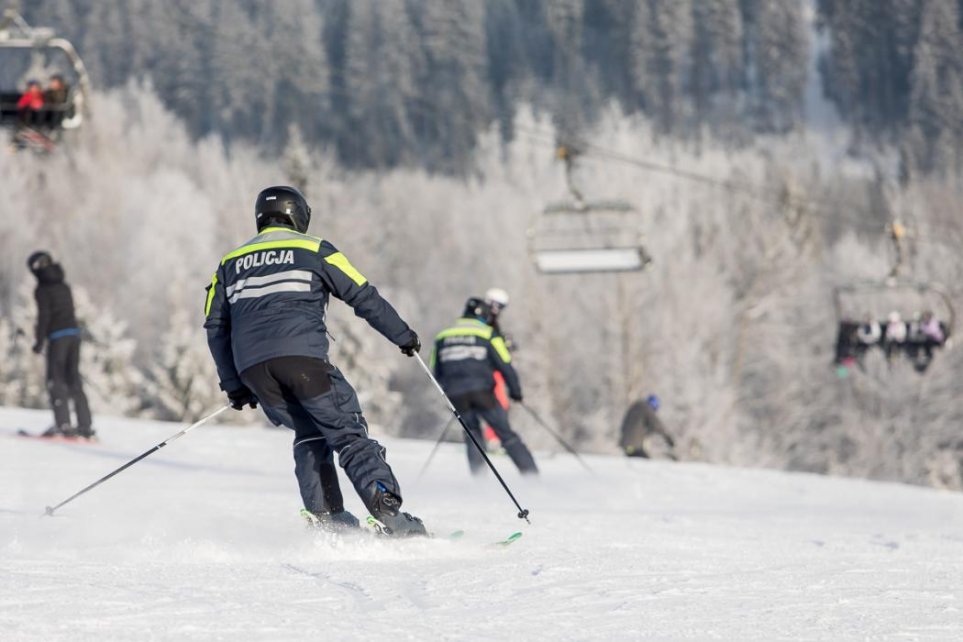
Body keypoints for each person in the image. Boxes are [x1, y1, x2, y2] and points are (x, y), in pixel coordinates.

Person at [203, 186, 426, 536]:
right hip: (302, 362)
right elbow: (362, 295)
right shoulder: (314, 248)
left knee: (310, 432)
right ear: (298, 215)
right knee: (347, 430)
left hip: (255, 372)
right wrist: (403, 336)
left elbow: (215, 324)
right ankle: (390, 515)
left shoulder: (229, 263)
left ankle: (328, 520)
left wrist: (234, 385)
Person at [431, 298, 538, 476]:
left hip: (455, 393)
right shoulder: (488, 333)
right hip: (482, 392)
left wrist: (449, 391)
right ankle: (532, 475)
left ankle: (479, 481)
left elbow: (435, 369)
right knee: (505, 434)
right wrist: (516, 392)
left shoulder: (443, 335)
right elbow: (505, 364)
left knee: (472, 435)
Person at [27, 251, 94, 439]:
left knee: (55, 380)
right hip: (74, 335)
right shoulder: (64, 286)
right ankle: (85, 426)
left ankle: (63, 424)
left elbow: (44, 317)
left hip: (58, 338)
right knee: (74, 380)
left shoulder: (42, 289)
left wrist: (39, 342)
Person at [619, 394, 674, 459]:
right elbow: (656, 424)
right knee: (645, 463)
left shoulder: (636, 407)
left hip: (626, 444)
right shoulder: (647, 409)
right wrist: (667, 437)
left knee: (637, 459)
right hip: (633, 445)